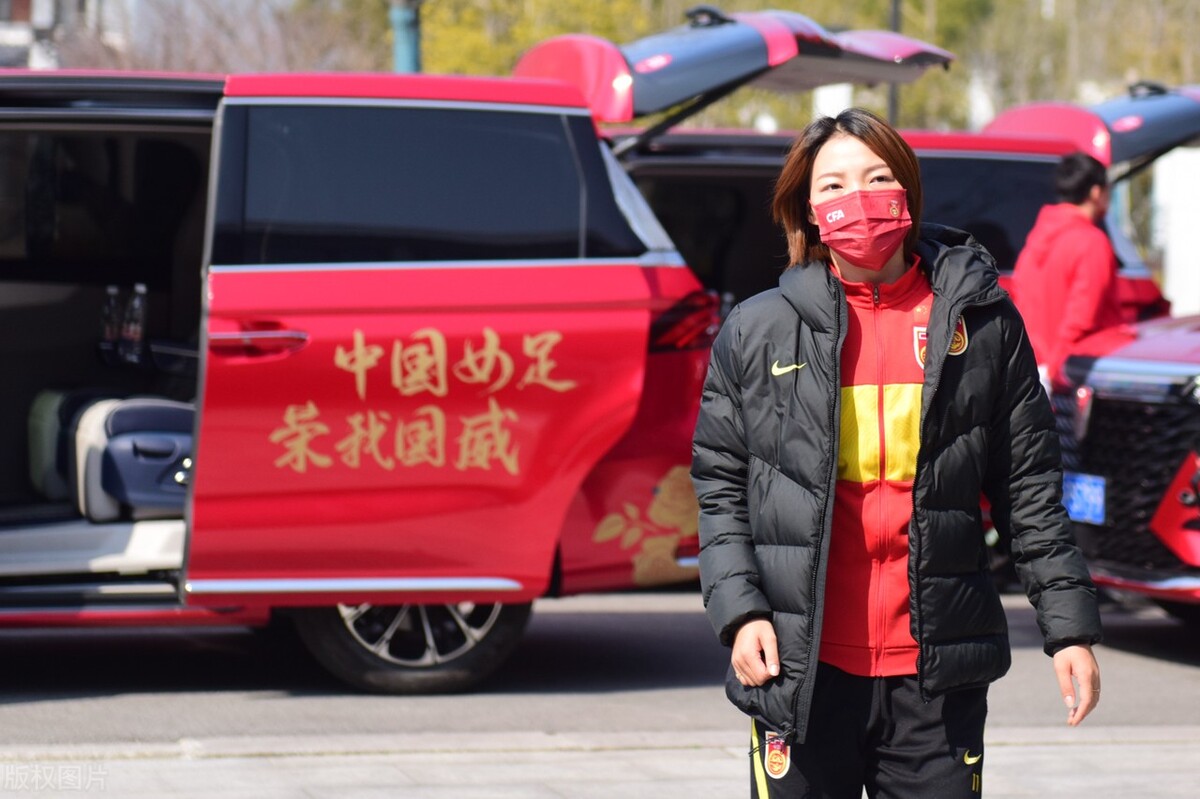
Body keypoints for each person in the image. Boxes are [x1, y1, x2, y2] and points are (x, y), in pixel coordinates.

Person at [690, 108, 1102, 798]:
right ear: (807, 209)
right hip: (800, 671)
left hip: (936, 680)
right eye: (834, 186)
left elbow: (1028, 487)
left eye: (877, 177)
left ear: (907, 192)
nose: (857, 200)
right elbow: (721, 486)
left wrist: (1069, 630)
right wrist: (741, 612)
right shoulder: (757, 330)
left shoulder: (984, 324)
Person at [1010, 151, 1125, 389]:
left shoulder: (1036, 239)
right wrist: (1055, 371)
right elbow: (1082, 319)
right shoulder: (1092, 241)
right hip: (1070, 375)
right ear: (1096, 192)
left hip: (1033, 367)